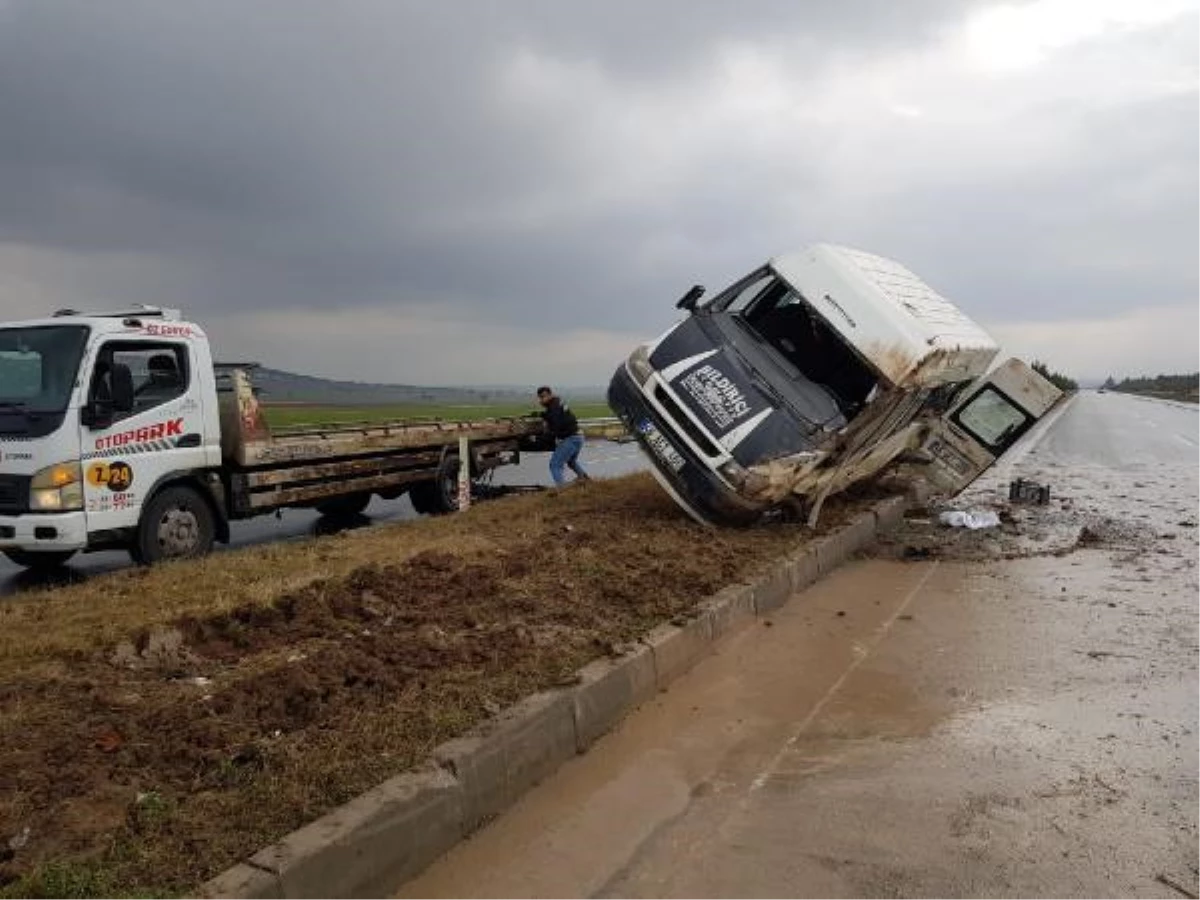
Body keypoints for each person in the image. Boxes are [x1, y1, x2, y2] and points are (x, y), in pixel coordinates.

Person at [537, 386, 590, 486]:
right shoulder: (557, 403)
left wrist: (540, 438)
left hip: (570, 439)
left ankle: (563, 489)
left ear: (550, 395)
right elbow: (556, 416)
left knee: (555, 465)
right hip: (578, 437)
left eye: (543, 396)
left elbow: (556, 426)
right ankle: (584, 478)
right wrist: (543, 415)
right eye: (540, 397)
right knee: (571, 462)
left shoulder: (554, 407)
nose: (541, 400)